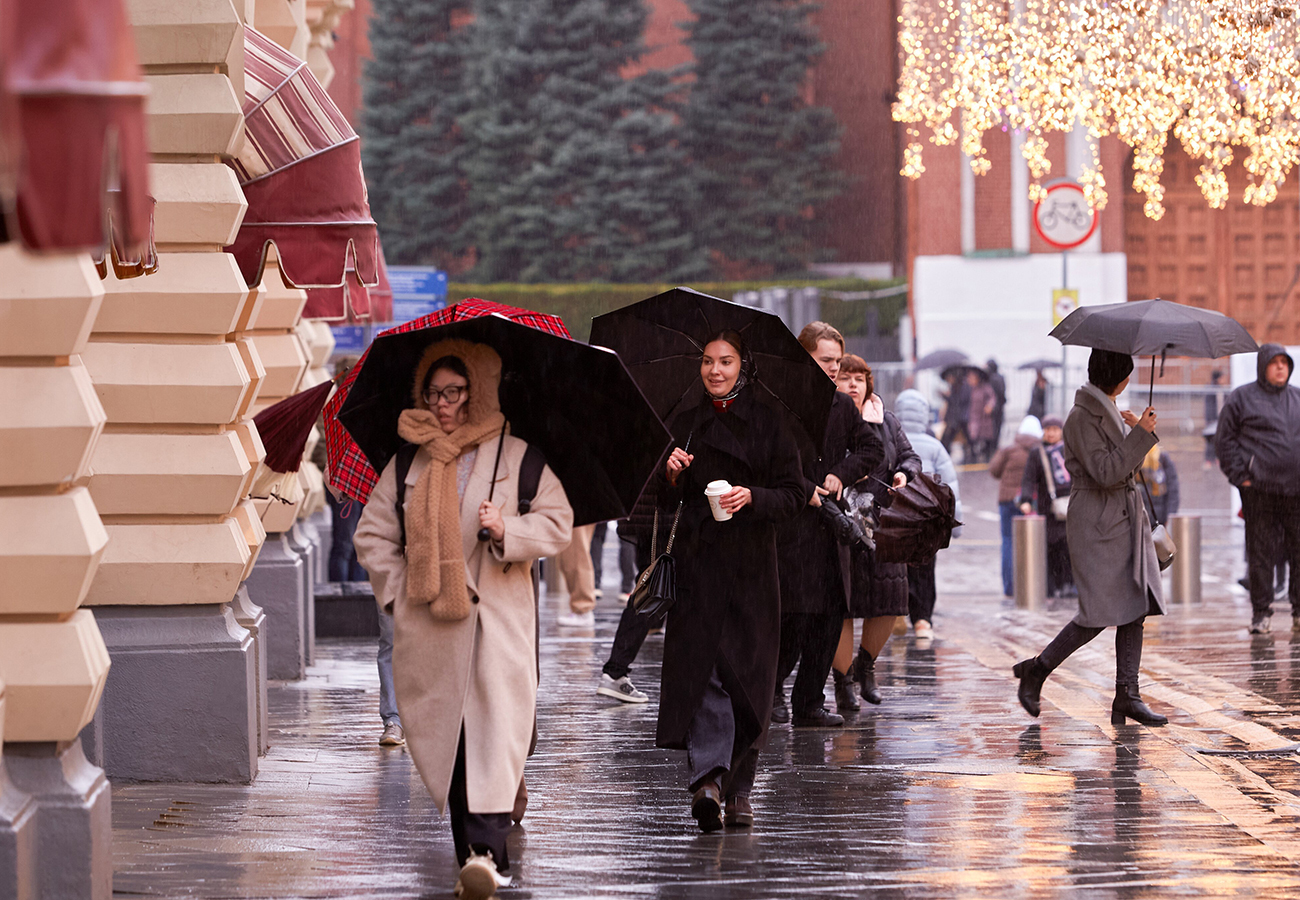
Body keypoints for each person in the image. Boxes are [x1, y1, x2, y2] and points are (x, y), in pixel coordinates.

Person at [354, 340, 573, 898]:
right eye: (433, 392)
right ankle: (470, 854)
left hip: (498, 624)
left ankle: (486, 856)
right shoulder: (408, 462)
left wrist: (507, 530)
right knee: (448, 742)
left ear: (476, 392)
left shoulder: (519, 456)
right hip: (431, 627)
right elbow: (374, 536)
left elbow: (558, 524)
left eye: (454, 392)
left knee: (495, 736)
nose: (443, 403)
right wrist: (401, 594)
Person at [656, 330, 804, 832]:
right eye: (707, 362)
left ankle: (739, 788)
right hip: (700, 568)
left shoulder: (769, 421)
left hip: (753, 571)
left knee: (749, 681)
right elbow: (658, 500)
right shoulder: (688, 421)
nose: (714, 371)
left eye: (725, 361)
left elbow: (793, 494)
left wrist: (752, 497)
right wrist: (671, 472)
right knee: (704, 674)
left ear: (745, 365)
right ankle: (709, 782)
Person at [1013, 348, 1168, 727]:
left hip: (1124, 518)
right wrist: (1141, 436)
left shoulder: (1108, 410)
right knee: (1098, 612)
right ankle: (1037, 669)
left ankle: (1127, 694)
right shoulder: (1082, 417)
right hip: (1099, 522)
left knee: (1138, 603)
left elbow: (1119, 463)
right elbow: (1105, 471)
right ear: (1120, 377)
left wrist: (1135, 431)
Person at [773, 323, 881, 726]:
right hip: (793, 523)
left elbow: (874, 448)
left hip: (831, 530)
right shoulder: (782, 404)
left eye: (837, 360)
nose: (834, 368)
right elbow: (770, 460)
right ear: (805, 358)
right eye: (826, 361)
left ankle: (810, 702)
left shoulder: (842, 407)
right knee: (795, 617)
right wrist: (805, 488)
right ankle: (772, 694)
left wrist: (840, 473)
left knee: (830, 615)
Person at [830, 355, 922, 707]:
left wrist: (904, 474)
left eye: (859, 378)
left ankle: (866, 667)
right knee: (844, 605)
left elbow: (910, 457)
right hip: (840, 522)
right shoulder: (829, 419)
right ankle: (843, 682)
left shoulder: (887, 421)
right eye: (844, 377)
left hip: (883, 525)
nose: (853, 384)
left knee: (889, 602)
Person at [1216, 343, 1300, 634]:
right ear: (1262, 366)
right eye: (1274, 362)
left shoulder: (1297, 398)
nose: (1280, 367)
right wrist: (1242, 476)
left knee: (1298, 551)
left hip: (1295, 490)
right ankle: (1261, 613)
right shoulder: (1242, 398)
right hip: (1259, 490)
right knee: (1261, 554)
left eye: (1284, 362)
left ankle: (1299, 611)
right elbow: (1224, 440)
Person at [894, 389, 963, 639]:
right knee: (924, 569)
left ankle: (897, 612)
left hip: (895, 517)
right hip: (927, 520)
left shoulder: (890, 442)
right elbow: (950, 486)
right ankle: (922, 619)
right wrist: (956, 525)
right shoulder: (935, 447)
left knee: (896, 568)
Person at [595, 489, 659, 703]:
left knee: (650, 590)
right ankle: (615, 671)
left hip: (649, 517)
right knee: (650, 591)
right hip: (662, 518)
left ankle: (616, 670)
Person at [1019, 415, 1074, 598]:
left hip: (1071, 506)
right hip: (1048, 508)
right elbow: (1028, 478)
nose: (1051, 433)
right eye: (1047, 429)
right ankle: (1053, 586)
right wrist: (1025, 500)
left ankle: (1070, 585)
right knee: (1051, 548)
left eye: (1055, 430)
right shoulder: (1037, 453)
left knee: (1070, 547)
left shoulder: (1070, 450)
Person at [990, 416, 1042, 597]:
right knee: (1032, 544)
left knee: (1008, 542)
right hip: (1030, 501)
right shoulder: (1040, 451)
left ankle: (1010, 587)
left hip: (1007, 500)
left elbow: (994, 470)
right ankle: (1030, 585)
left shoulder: (1009, 449)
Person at [555, 523, 598, 627]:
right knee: (574, 553)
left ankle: (583, 608)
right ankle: (582, 607)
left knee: (576, 553)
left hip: (577, 509)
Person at [1139, 444, 1180, 527]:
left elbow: (1172, 490)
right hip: (1140, 519)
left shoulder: (1162, 458)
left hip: (1160, 519)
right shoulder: (1134, 461)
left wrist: (1170, 515)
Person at [967, 369, 998, 463]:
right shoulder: (970, 389)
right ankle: (974, 457)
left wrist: (989, 406)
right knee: (973, 437)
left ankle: (987, 456)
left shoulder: (985, 388)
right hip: (974, 417)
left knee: (986, 437)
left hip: (984, 417)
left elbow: (993, 398)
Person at [940, 369, 971, 459]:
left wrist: (949, 396)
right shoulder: (954, 387)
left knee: (967, 439)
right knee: (949, 438)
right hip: (955, 418)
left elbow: (959, 401)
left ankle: (970, 455)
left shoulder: (963, 386)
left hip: (960, 418)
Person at [1204, 370, 1223, 468]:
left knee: (1218, 439)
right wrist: (1210, 418)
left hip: (1218, 418)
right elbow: (1209, 406)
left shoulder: (1219, 388)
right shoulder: (1210, 388)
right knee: (1210, 440)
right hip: (1212, 419)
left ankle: (1216, 457)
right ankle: (1208, 459)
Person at [987, 358, 1007, 449]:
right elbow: (1002, 392)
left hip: (993, 407)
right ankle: (994, 446)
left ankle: (991, 447)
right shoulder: (1001, 378)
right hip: (1000, 407)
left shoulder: (990, 378)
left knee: (992, 429)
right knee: (997, 428)